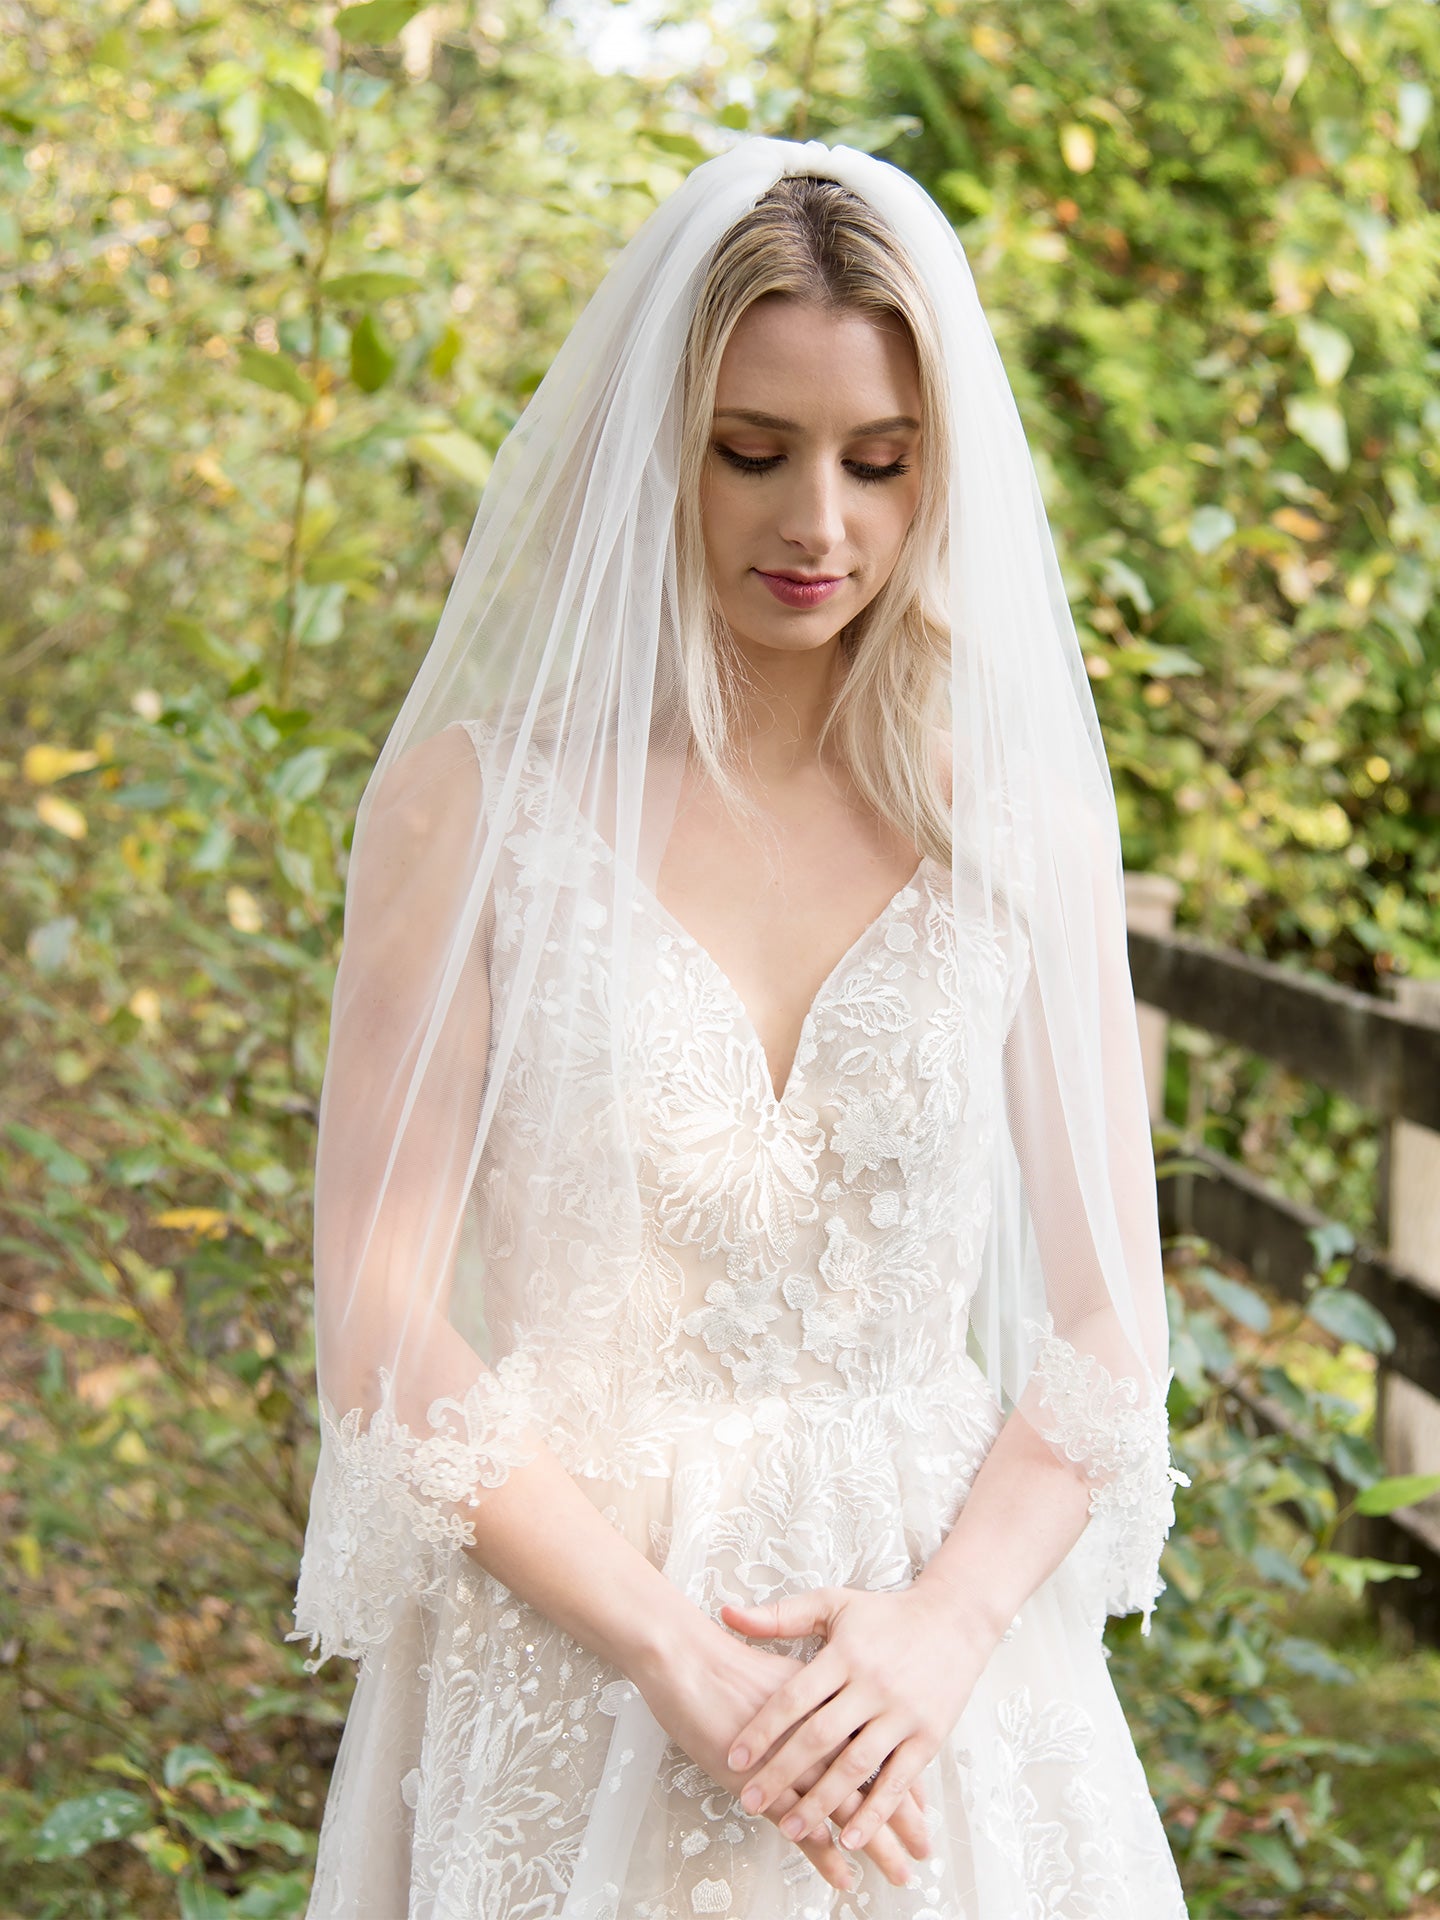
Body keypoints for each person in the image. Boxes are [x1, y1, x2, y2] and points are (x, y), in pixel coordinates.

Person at [289, 137, 1189, 1918]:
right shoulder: (475, 816)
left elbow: (1107, 1324)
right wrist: (670, 1657)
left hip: (937, 1686)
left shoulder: (1015, 826)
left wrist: (940, 1634)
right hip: (571, 1649)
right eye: (753, 454)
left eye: (881, 462)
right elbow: (379, 1315)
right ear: (660, 448)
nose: (821, 525)